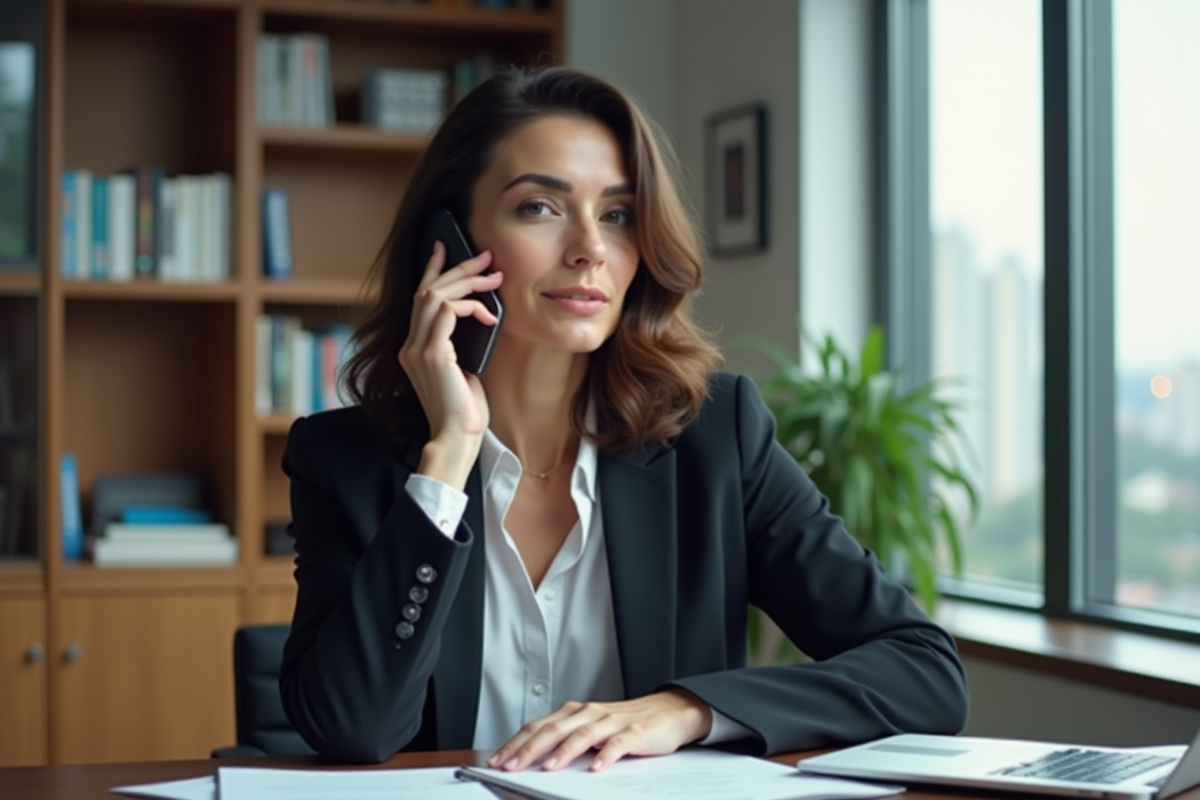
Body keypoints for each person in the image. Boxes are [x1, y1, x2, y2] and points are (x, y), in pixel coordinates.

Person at [278, 65, 969, 768]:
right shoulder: (341, 460)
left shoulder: (718, 440)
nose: (590, 250)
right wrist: (450, 456)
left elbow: (924, 670)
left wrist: (688, 709)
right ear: (448, 241)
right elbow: (350, 727)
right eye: (540, 208)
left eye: (617, 215)